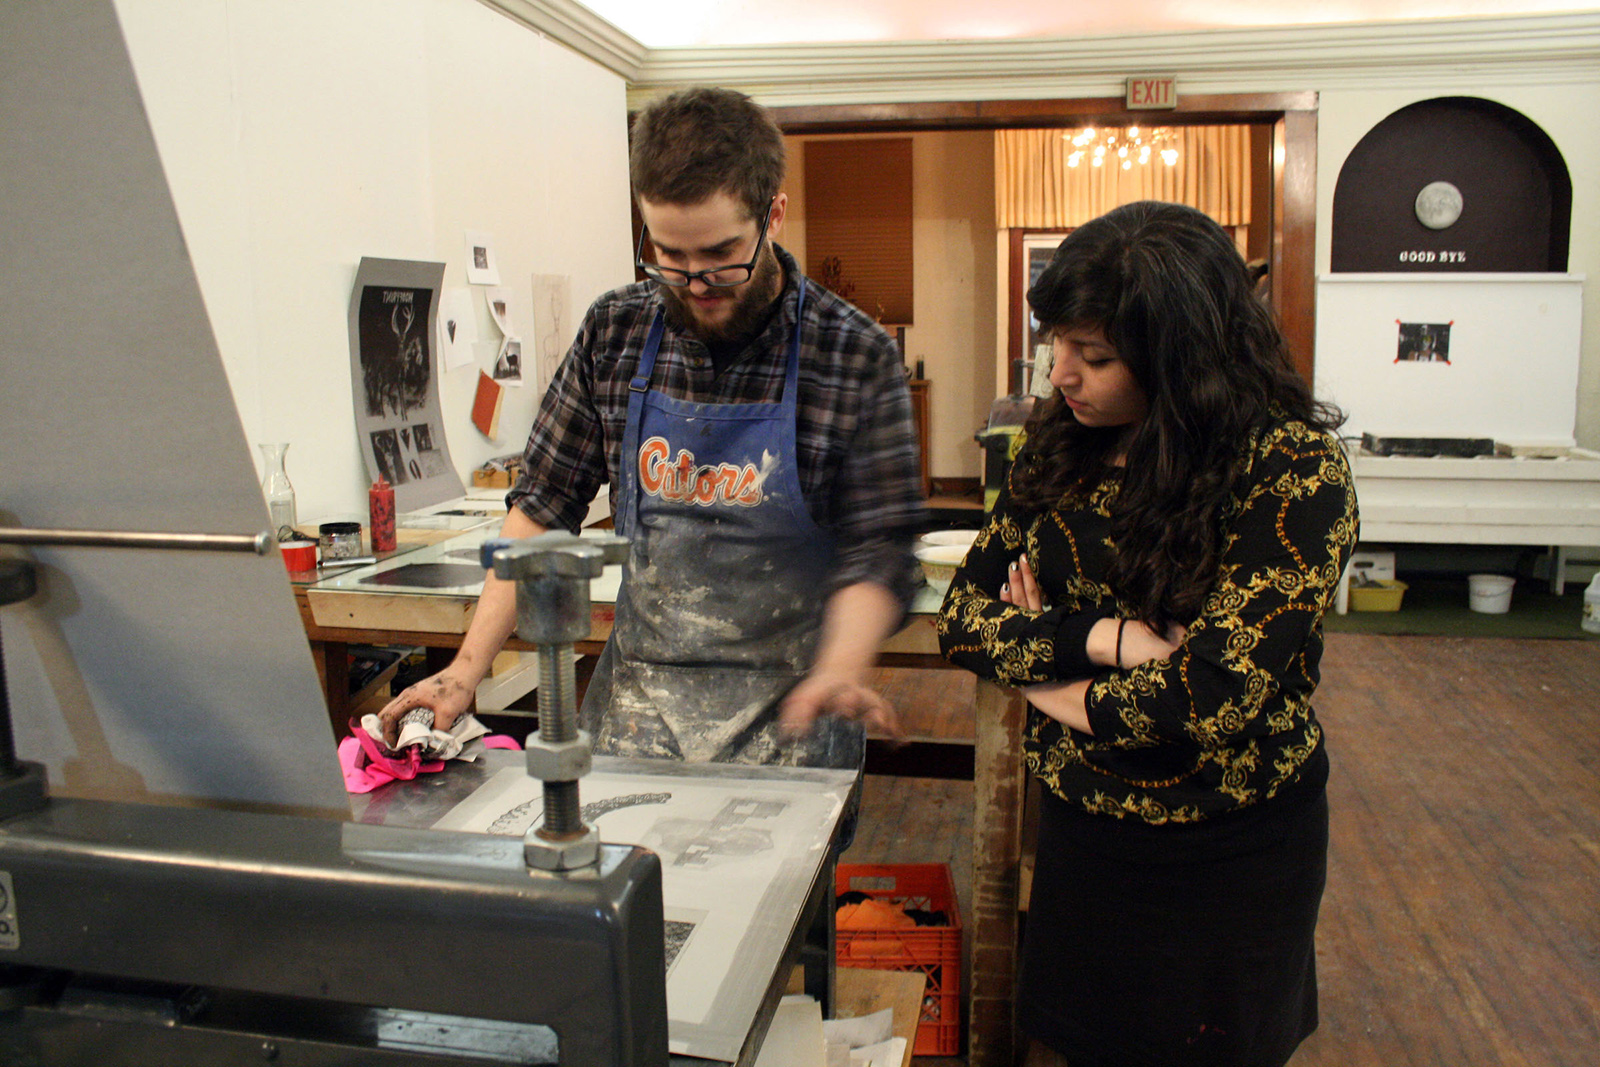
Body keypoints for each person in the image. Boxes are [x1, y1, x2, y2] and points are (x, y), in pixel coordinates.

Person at [378, 87, 925, 769]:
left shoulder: (852, 354)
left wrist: (840, 669)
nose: (695, 282)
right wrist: (465, 670)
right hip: (635, 715)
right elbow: (543, 507)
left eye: (721, 255)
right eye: (670, 255)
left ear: (774, 215)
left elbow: (879, 547)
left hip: (794, 719)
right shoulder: (616, 331)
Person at [937, 201, 1357, 1067]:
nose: (1063, 374)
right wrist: (1110, 639)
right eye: (1058, 344)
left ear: (1180, 356)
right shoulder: (1060, 442)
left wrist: (1036, 657)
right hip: (1085, 829)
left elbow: (1210, 698)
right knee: (1077, 1044)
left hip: (1228, 844)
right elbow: (963, 620)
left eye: (1095, 356)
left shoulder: (1290, 470)